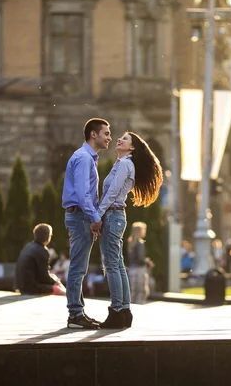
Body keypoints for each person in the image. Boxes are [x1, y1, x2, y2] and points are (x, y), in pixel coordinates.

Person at [96, 132, 163, 329]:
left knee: (112, 265)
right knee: (117, 264)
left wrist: (97, 215)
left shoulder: (125, 164)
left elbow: (112, 193)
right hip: (115, 216)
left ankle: (117, 310)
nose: (119, 139)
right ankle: (124, 310)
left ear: (132, 147)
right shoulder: (122, 163)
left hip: (112, 214)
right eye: (120, 137)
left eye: (125, 139)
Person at [62, 118, 111, 329]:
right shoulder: (83, 158)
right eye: (106, 133)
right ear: (94, 134)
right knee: (77, 267)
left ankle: (78, 311)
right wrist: (95, 218)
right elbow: (83, 195)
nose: (109, 138)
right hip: (81, 215)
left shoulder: (87, 157)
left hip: (81, 216)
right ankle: (74, 314)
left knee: (79, 266)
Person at [14, 224, 66, 296]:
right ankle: (70, 297)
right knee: (60, 290)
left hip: (21, 286)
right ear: (48, 237)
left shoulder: (28, 246)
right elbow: (44, 277)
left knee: (54, 277)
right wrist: (55, 281)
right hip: (31, 288)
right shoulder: (42, 251)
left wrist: (54, 280)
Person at [127, 222, 152, 305]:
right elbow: (141, 259)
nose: (144, 231)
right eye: (143, 230)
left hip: (132, 269)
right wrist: (148, 262)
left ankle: (131, 306)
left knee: (133, 290)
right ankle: (139, 305)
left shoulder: (130, 242)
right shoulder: (140, 243)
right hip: (140, 270)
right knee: (142, 291)